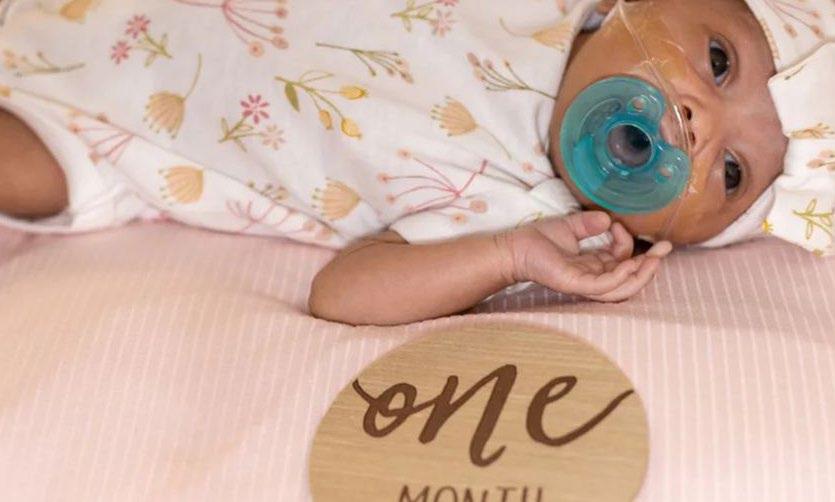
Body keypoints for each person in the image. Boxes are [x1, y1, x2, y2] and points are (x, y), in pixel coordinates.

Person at [0, 0, 832, 325]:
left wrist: (507, 258)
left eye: (731, 175)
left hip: (111, 135)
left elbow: (343, 293)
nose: (697, 127)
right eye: (717, 61)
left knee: (26, 171)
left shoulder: (527, 214)